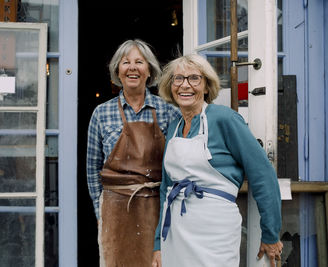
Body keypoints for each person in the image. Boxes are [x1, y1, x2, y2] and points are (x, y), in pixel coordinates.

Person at [151, 54, 283, 267]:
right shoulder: (174, 127)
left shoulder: (225, 119)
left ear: (206, 86)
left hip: (215, 231)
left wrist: (270, 233)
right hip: (175, 231)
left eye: (194, 78)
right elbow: (166, 189)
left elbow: (263, 175)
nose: (185, 85)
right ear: (170, 85)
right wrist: (158, 243)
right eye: (178, 79)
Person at [86, 39, 180, 267]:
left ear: (150, 71)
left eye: (139, 62)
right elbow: (92, 168)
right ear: (118, 71)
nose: (132, 67)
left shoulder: (168, 111)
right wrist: (101, 214)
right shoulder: (101, 113)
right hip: (114, 210)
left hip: (156, 209)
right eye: (126, 62)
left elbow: (178, 166)